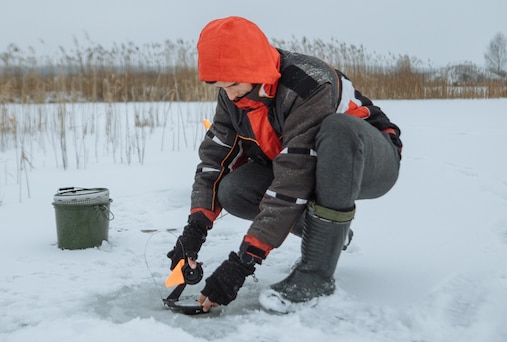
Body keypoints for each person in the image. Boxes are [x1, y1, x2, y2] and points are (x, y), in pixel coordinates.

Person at [167, 16, 402, 312]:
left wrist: (243, 263)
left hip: (368, 159)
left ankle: (316, 276)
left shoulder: (307, 85)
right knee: (234, 189)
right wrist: (195, 230)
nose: (229, 94)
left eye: (233, 85)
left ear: (253, 69)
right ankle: (329, 237)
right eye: (220, 87)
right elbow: (215, 158)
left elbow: (294, 177)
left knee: (337, 131)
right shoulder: (234, 95)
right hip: (302, 164)